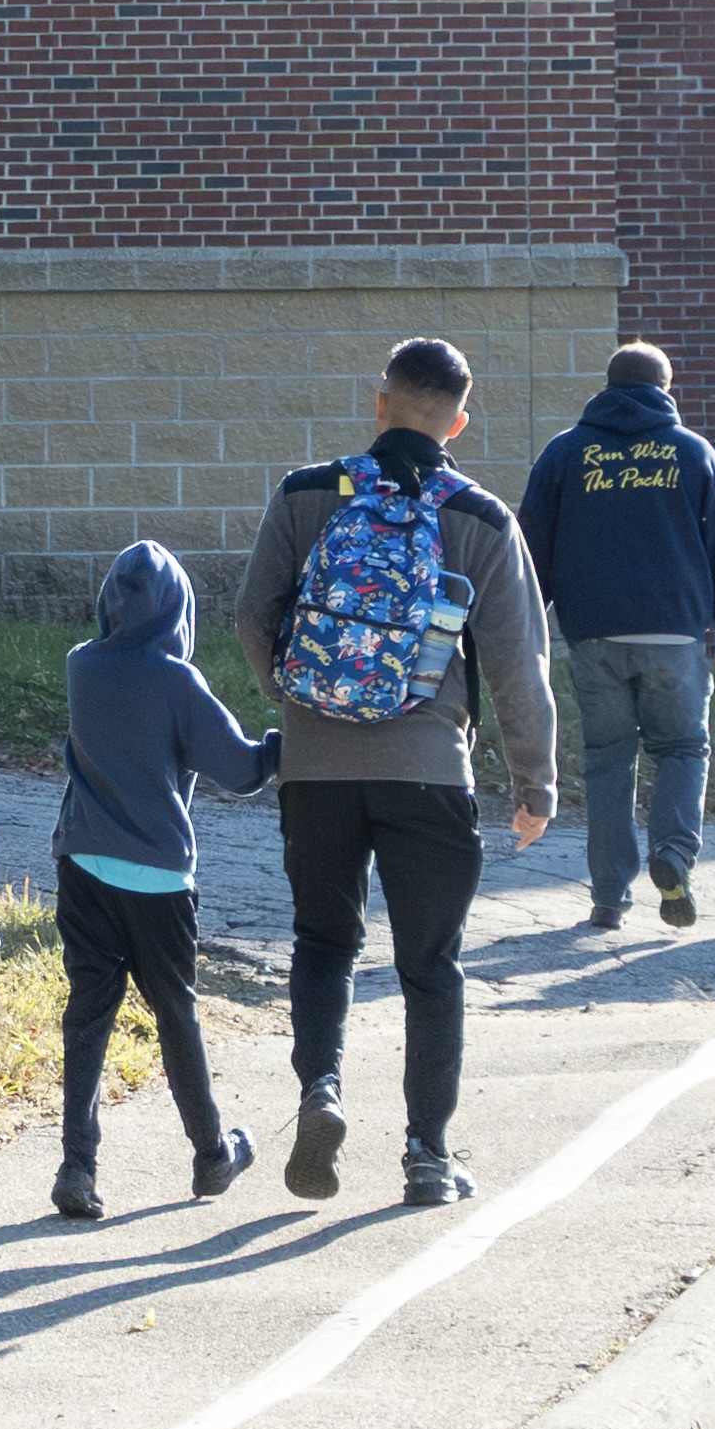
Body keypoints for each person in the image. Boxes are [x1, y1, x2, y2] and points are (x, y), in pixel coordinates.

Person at [238, 336, 559, 1209]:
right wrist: (536, 781)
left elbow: (250, 614)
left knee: (322, 940)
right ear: (460, 418)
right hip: (429, 770)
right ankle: (426, 1153)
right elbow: (517, 665)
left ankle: (321, 1091)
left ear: (378, 403)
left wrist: (299, 698)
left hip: (316, 769)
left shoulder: (308, 493)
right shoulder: (483, 518)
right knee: (431, 964)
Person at [47, 539, 280, 1223]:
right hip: (158, 880)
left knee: (89, 1012)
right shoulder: (179, 680)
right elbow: (238, 771)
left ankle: (77, 1165)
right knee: (175, 1011)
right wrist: (282, 745)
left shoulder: (81, 666)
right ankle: (211, 1150)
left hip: (83, 863)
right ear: (181, 611)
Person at [511, 338, 715, 932]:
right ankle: (671, 856)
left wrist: (523, 624)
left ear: (607, 387)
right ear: (665, 391)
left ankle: (607, 896)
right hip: (675, 634)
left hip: (594, 635)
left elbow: (529, 546)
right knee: (680, 748)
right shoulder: (692, 453)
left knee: (607, 761)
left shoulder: (565, 453)